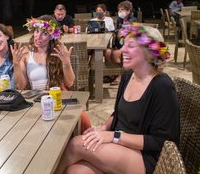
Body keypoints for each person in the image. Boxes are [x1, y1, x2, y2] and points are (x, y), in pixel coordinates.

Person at [55, 24, 179, 174]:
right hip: (121, 147)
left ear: (149, 53)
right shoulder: (128, 76)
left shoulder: (162, 86)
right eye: (123, 45)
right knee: (75, 171)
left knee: (75, 145)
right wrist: (104, 127)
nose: (122, 50)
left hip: (146, 157)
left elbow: (162, 141)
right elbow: (118, 113)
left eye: (130, 46)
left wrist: (114, 136)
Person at [11, 15, 90, 133]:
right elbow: (21, 86)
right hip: (36, 99)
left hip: (58, 96)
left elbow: (70, 82)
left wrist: (66, 63)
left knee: (83, 119)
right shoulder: (26, 54)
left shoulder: (58, 52)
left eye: (44, 33)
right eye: (37, 31)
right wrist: (16, 64)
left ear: (52, 36)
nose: (38, 36)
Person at [105, 0, 137, 86]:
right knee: (107, 52)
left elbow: (126, 35)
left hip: (128, 46)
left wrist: (120, 33)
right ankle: (112, 74)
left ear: (128, 11)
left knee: (115, 54)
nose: (120, 12)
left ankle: (121, 76)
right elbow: (117, 32)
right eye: (119, 10)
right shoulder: (120, 19)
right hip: (118, 44)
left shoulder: (132, 20)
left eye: (122, 10)